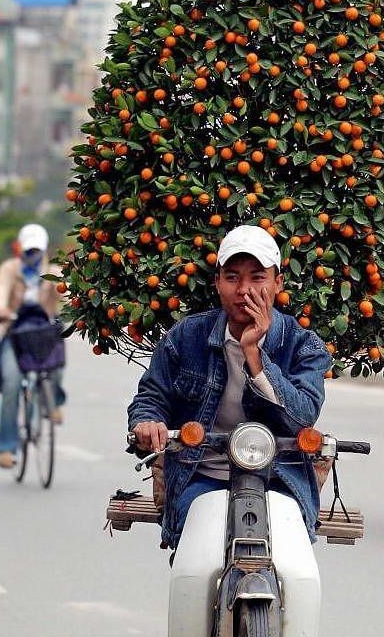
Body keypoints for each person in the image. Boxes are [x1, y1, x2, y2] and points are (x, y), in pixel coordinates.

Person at [128, 224, 332, 549]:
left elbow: (302, 416)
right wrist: (147, 423)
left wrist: (255, 354)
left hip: (280, 478)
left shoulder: (304, 345)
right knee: (195, 559)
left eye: (257, 277)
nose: (244, 290)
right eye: (233, 277)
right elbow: (152, 396)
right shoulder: (186, 337)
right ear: (218, 283)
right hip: (202, 474)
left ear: (278, 283)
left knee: (295, 565)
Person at [0, 223, 64, 468]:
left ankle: (53, 401)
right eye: (28, 250)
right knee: (12, 382)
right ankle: (6, 447)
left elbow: (66, 291)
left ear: (44, 250)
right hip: (15, 334)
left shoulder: (52, 270)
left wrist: (67, 291)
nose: (32, 255)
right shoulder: (10, 269)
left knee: (57, 364)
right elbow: (0, 292)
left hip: (43, 334)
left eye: (37, 250)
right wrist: (0, 310)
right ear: (20, 249)